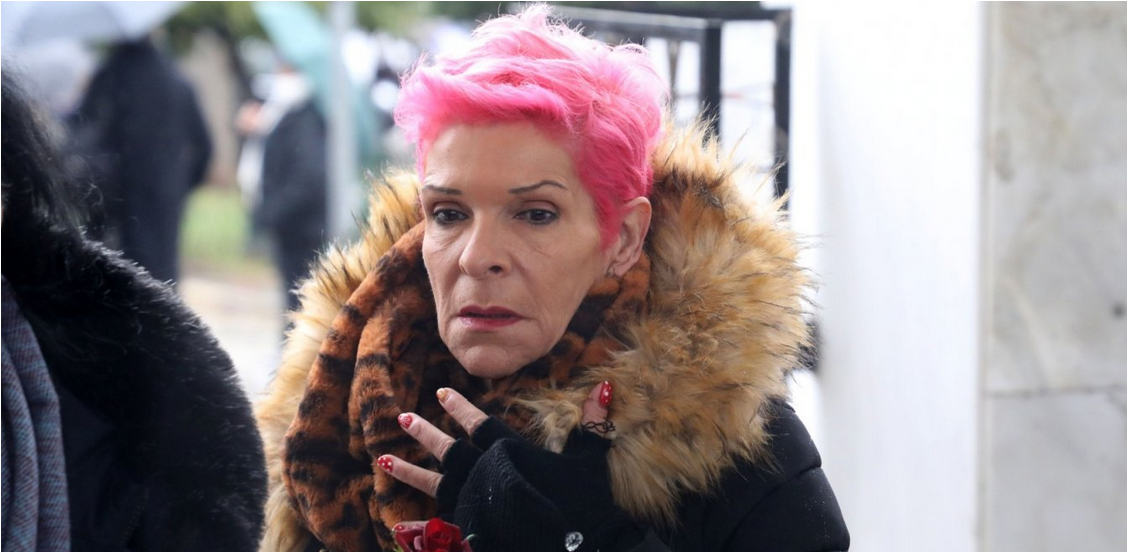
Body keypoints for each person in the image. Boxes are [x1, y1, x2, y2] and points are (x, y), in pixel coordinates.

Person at [255, 6, 849, 552]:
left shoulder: (738, 450)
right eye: (449, 214)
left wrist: (592, 538)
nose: (477, 258)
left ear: (623, 239)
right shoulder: (333, 409)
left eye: (535, 214)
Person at [1, 74, 266, 551]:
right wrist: (172, 193)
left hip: (114, 247)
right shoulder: (173, 84)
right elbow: (203, 151)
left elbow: (86, 158)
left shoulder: (119, 375)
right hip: (143, 233)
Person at [66, 37, 212, 284]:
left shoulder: (111, 76)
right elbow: (205, 146)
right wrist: (182, 184)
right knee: (161, 279)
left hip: (115, 197)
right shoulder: (177, 81)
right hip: (165, 196)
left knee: (114, 279)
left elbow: (81, 129)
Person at [235, 64, 328, 314]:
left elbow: (308, 177)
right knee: (293, 294)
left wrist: (273, 211)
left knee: (301, 297)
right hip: (292, 226)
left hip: (302, 228)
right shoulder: (284, 115)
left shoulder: (305, 120)